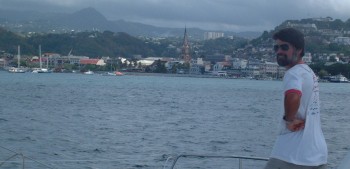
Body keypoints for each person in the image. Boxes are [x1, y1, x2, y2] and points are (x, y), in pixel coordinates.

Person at [264, 28, 328, 169]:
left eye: (284, 47)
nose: (279, 51)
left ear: (298, 49)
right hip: (316, 154)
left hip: (292, 153)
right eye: (276, 48)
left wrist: (289, 120)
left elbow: (293, 95)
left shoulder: (293, 73)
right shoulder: (308, 72)